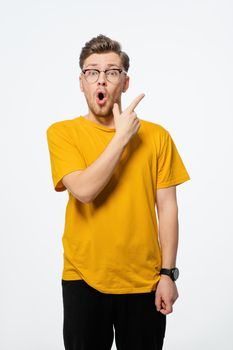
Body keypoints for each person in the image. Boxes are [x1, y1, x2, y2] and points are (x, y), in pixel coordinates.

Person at [46, 34, 191, 350]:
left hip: (145, 281)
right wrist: (121, 137)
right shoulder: (62, 133)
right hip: (83, 279)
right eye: (92, 72)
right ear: (82, 82)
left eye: (112, 72)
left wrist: (168, 274)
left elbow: (167, 209)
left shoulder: (157, 137)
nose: (102, 79)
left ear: (125, 83)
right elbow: (84, 190)